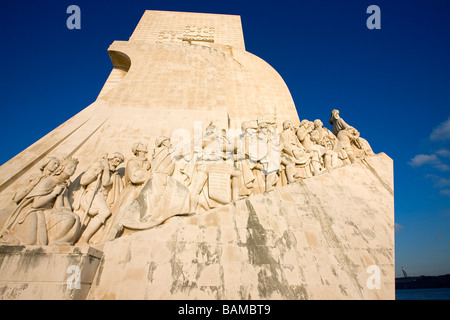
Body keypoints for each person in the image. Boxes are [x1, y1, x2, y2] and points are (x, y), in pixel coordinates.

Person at [0, 157, 80, 245]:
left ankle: (56, 241)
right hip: (34, 211)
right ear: (62, 168)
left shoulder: (63, 184)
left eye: (74, 169)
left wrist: (67, 211)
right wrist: (53, 194)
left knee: (72, 218)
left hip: (49, 211)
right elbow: (35, 204)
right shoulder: (48, 181)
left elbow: (60, 205)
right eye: (70, 167)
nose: (73, 170)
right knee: (31, 241)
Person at [75, 152, 124, 245]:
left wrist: (106, 169)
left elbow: (106, 182)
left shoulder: (111, 172)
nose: (117, 164)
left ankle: (86, 238)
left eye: (119, 162)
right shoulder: (97, 166)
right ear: (110, 158)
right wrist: (98, 171)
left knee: (105, 213)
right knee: (105, 212)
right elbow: (83, 181)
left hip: (102, 196)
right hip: (93, 193)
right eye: (116, 161)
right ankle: (83, 239)